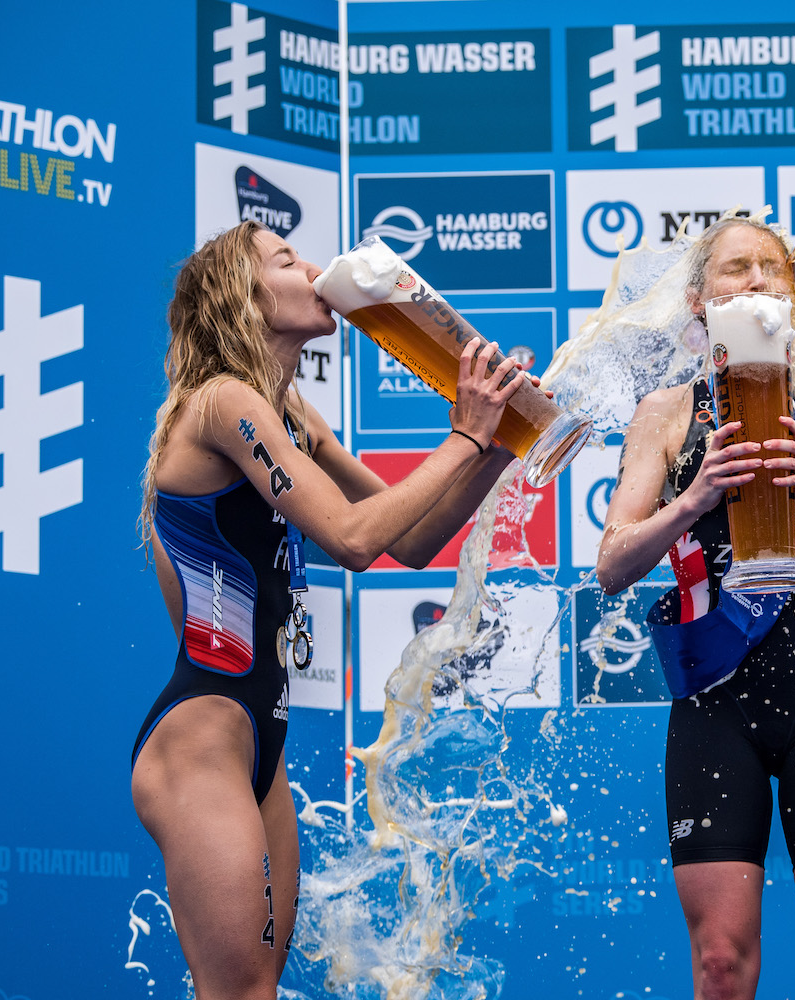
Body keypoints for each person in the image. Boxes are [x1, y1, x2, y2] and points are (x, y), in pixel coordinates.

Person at [130, 221, 530, 999]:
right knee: (236, 992)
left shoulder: (292, 414)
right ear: (242, 298)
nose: (314, 269)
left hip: (261, 750)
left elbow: (409, 540)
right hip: (200, 745)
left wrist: (498, 445)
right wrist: (462, 433)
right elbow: (351, 540)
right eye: (286, 260)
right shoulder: (222, 403)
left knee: (261, 990)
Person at [594, 215, 795, 1000]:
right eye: (737, 269)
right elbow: (612, 564)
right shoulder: (667, 413)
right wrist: (695, 497)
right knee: (720, 965)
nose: (758, 282)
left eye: (773, 269)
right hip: (716, 701)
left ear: (792, 294)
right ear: (701, 301)